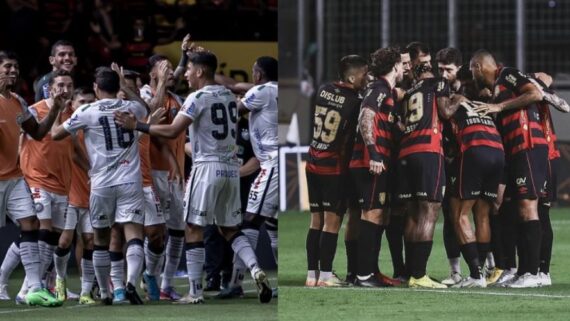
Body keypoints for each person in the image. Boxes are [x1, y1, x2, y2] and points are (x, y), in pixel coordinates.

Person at [114, 51, 272, 304]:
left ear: (199, 71)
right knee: (230, 228)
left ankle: (195, 291)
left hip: (206, 166)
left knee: (192, 228)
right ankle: (255, 269)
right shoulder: (228, 96)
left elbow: (173, 129)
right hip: (230, 168)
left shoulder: (197, 98)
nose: (185, 74)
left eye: (188, 69)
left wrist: (138, 126)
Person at [51, 67, 148, 304]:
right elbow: (145, 108)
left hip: (102, 183)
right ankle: (130, 283)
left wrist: (58, 110)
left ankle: (105, 292)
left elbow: (55, 134)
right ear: (118, 87)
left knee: (101, 238)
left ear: (96, 87)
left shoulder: (86, 111)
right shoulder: (131, 108)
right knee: (133, 233)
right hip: (130, 179)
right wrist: (125, 86)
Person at [470, 49, 548, 288]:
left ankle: (533, 273)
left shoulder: (507, 75)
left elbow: (536, 92)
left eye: (471, 69)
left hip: (528, 146)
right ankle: (523, 270)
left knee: (528, 207)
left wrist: (500, 107)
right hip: (513, 153)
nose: (471, 74)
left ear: (479, 66)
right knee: (512, 209)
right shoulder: (496, 91)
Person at [0, 50, 63, 307]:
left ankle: (35, 288)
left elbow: (36, 132)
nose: (13, 71)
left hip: (14, 178)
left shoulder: (17, 101)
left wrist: (56, 108)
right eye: (7, 67)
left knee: (31, 224)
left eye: (15, 67)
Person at [303, 55, 367, 287]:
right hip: (334, 167)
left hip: (312, 162)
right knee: (332, 224)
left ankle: (312, 275)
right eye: (363, 74)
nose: (366, 78)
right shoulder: (355, 102)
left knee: (315, 221)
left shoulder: (323, 89)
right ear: (352, 76)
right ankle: (327, 276)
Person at [221, 56, 279, 297]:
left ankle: (236, 283)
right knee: (273, 224)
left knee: (250, 221)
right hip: (282, 162)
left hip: (272, 163)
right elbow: (238, 87)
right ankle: (281, 283)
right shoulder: (276, 89)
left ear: (257, 74)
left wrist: (228, 101)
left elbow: (234, 110)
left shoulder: (263, 92)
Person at [350, 47, 403, 287]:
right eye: (401, 64)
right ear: (394, 67)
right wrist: (373, 153)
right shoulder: (380, 89)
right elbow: (366, 115)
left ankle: (370, 271)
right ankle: (363, 275)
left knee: (378, 216)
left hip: (375, 161)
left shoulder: (384, 90)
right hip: (369, 162)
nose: (403, 68)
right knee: (371, 214)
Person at [396, 62, 451, 288]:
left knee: (412, 213)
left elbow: (400, 123)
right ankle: (419, 275)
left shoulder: (408, 93)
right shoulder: (438, 83)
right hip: (428, 151)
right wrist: (458, 99)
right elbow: (446, 111)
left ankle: (411, 272)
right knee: (429, 211)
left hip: (406, 153)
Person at [139, 54, 187, 301]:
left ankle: (168, 285)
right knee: (156, 233)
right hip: (154, 172)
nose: (171, 73)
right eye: (164, 69)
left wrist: (183, 58)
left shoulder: (176, 98)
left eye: (172, 69)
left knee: (178, 230)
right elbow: (153, 125)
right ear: (152, 74)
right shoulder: (145, 94)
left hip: (175, 172)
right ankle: (151, 277)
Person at [56, 87, 97, 304]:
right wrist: (91, 169)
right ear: (72, 104)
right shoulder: (68, 126)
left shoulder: (97, 125)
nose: (87, 105)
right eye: (82, 101)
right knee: (64, 241)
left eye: (91, 101)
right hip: (70, 191)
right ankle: (59, 281)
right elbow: (72, 153)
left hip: (92, 193)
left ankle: (85, 291)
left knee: (89, 240)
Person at [435, 47, 464, 286]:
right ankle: (455, 272)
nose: (444, 74)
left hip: (470, 158)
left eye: (449, 70)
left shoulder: (472, 88)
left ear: (459, 69)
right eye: (440, 69)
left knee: (481, 211)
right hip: (447, 160)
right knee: (450, 215)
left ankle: (490, 267)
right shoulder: (436, 89)